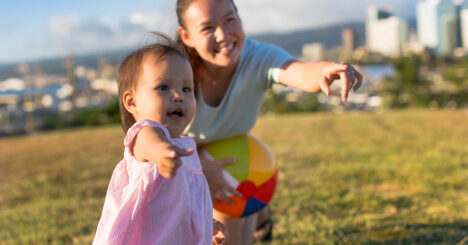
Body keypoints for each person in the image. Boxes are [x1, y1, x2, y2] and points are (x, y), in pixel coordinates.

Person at [175, 0, 364, 244]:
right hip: (182, 163)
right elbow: (150, 130)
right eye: (207, 28)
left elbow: (297, 70)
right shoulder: (175, 69)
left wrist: (323, 71)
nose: (223, 35)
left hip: (238, 158)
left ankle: (259, 215)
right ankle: (261, 214)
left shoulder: (258, 57)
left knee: (234, 234)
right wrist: (198, 165)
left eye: (230, 20)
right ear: (186, 36)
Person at [93, 34, 229, 245]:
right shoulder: (144, 134)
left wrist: (206, 223)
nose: (178, 96)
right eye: (163, 87)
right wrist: (163, 152)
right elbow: (153, 144)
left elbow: (186, 199)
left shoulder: (185, 144)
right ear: (132, 102)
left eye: (187, 88)